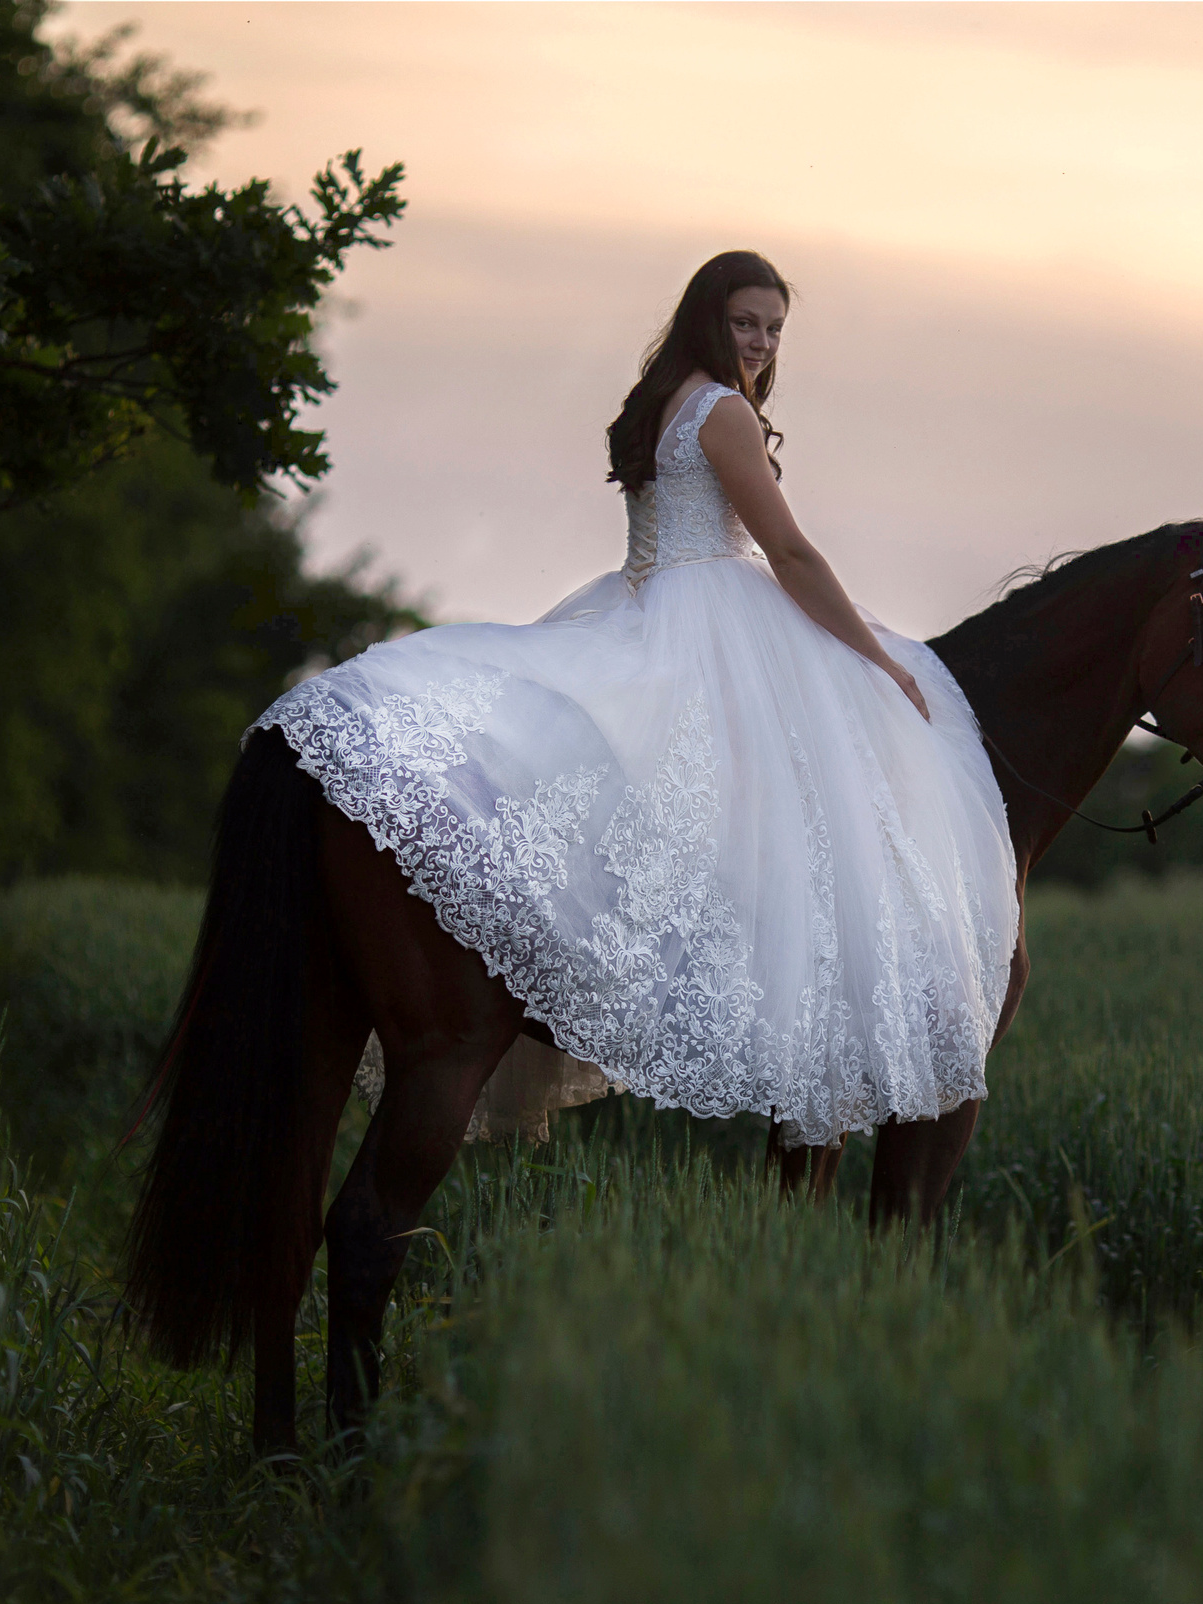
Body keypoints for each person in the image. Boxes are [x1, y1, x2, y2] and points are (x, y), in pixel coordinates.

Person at [253, 250, 1020, 1147]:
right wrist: (876, 660)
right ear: (708, 318)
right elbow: (793, 555)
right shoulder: (722, 411)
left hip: (646, 600)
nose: (763, 343)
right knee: (818, 798)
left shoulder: (661, 402)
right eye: (745, 323)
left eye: (774, 328)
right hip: (706, 610)